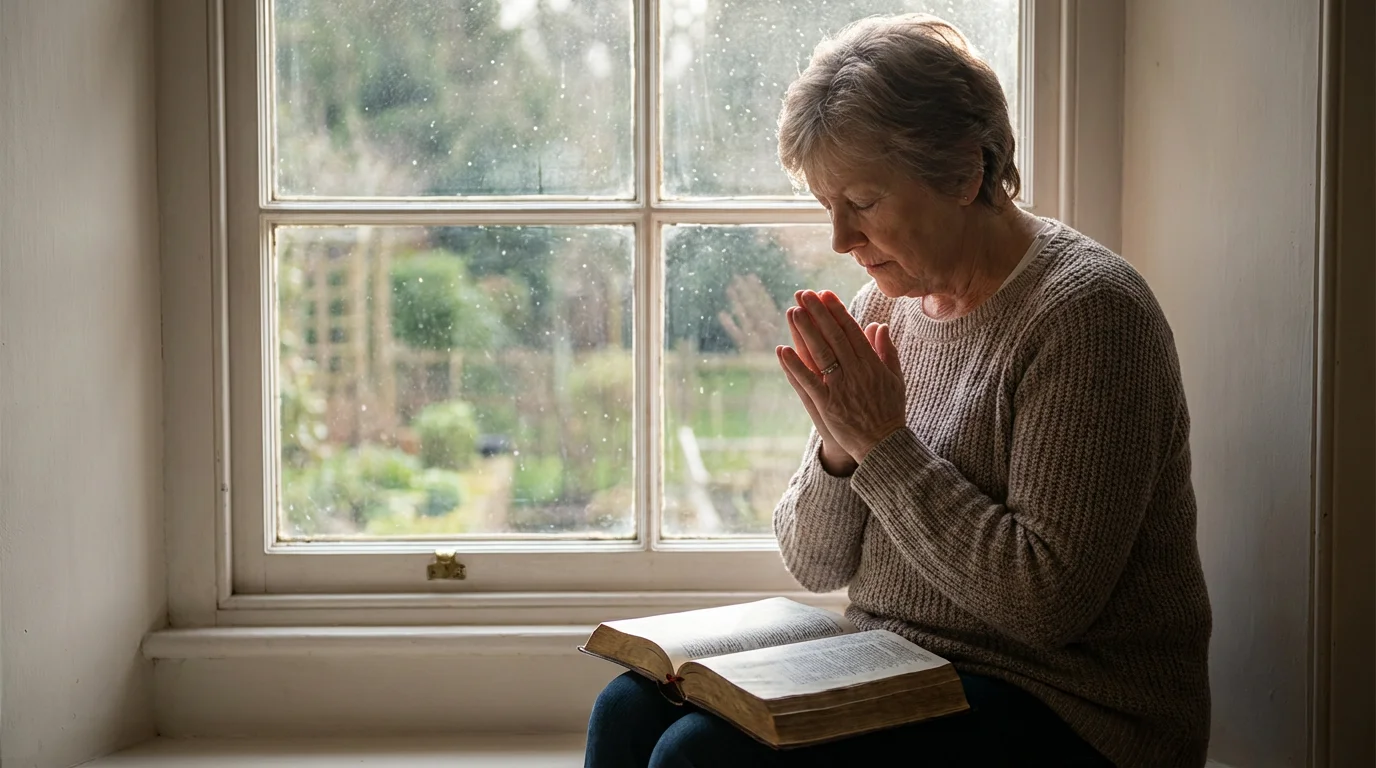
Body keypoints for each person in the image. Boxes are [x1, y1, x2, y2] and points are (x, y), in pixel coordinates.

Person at [584, 13, 1211, 768]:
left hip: (1070, 707)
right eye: (827, 208)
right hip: (901, 664)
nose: (842, 241)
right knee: (626, 708)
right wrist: (841, 452)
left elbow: (1044, 605)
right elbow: (815, 562)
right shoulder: (885, 305)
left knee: (700, 756)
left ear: (963, 174)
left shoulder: (1089, 315)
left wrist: (882, 444)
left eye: (865, 202)